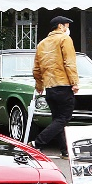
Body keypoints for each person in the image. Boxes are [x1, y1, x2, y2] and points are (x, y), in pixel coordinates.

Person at [32, 15, 79, 157]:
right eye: (66, 26)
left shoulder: (42, 43)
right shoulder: (65, 39)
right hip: (63, 84)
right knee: (64, 118)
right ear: (60, 26)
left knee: (57, 119)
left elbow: (36, 69)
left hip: (49, 87)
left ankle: (65, 151)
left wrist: (39, 85)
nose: (67, 29)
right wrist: (74, 82)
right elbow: (69, 62)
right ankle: (37, 143)